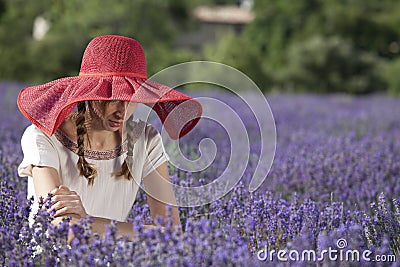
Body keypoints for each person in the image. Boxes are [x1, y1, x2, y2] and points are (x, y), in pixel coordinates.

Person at [17, 35, 202, 242]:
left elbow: (172, 232)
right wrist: (135, 231)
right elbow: (61, 230)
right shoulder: (43, 137)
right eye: (112, 99)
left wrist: (86, 220)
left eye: (132, 99)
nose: (122, 111)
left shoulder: (146, 139)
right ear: (88, 93)